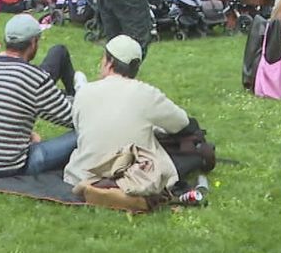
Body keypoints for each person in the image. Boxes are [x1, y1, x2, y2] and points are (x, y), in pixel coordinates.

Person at [0, 14, 77, 176]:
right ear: (33, 43)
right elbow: (73, 119)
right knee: (88, 130)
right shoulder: (33, 76)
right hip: (4, 167)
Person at [63, 34, 190, 192]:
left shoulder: (83, 93)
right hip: (136, 178)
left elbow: (79, 129)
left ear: (109, 63)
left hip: (83, 176)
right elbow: (181, 122)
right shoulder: (146, 93)